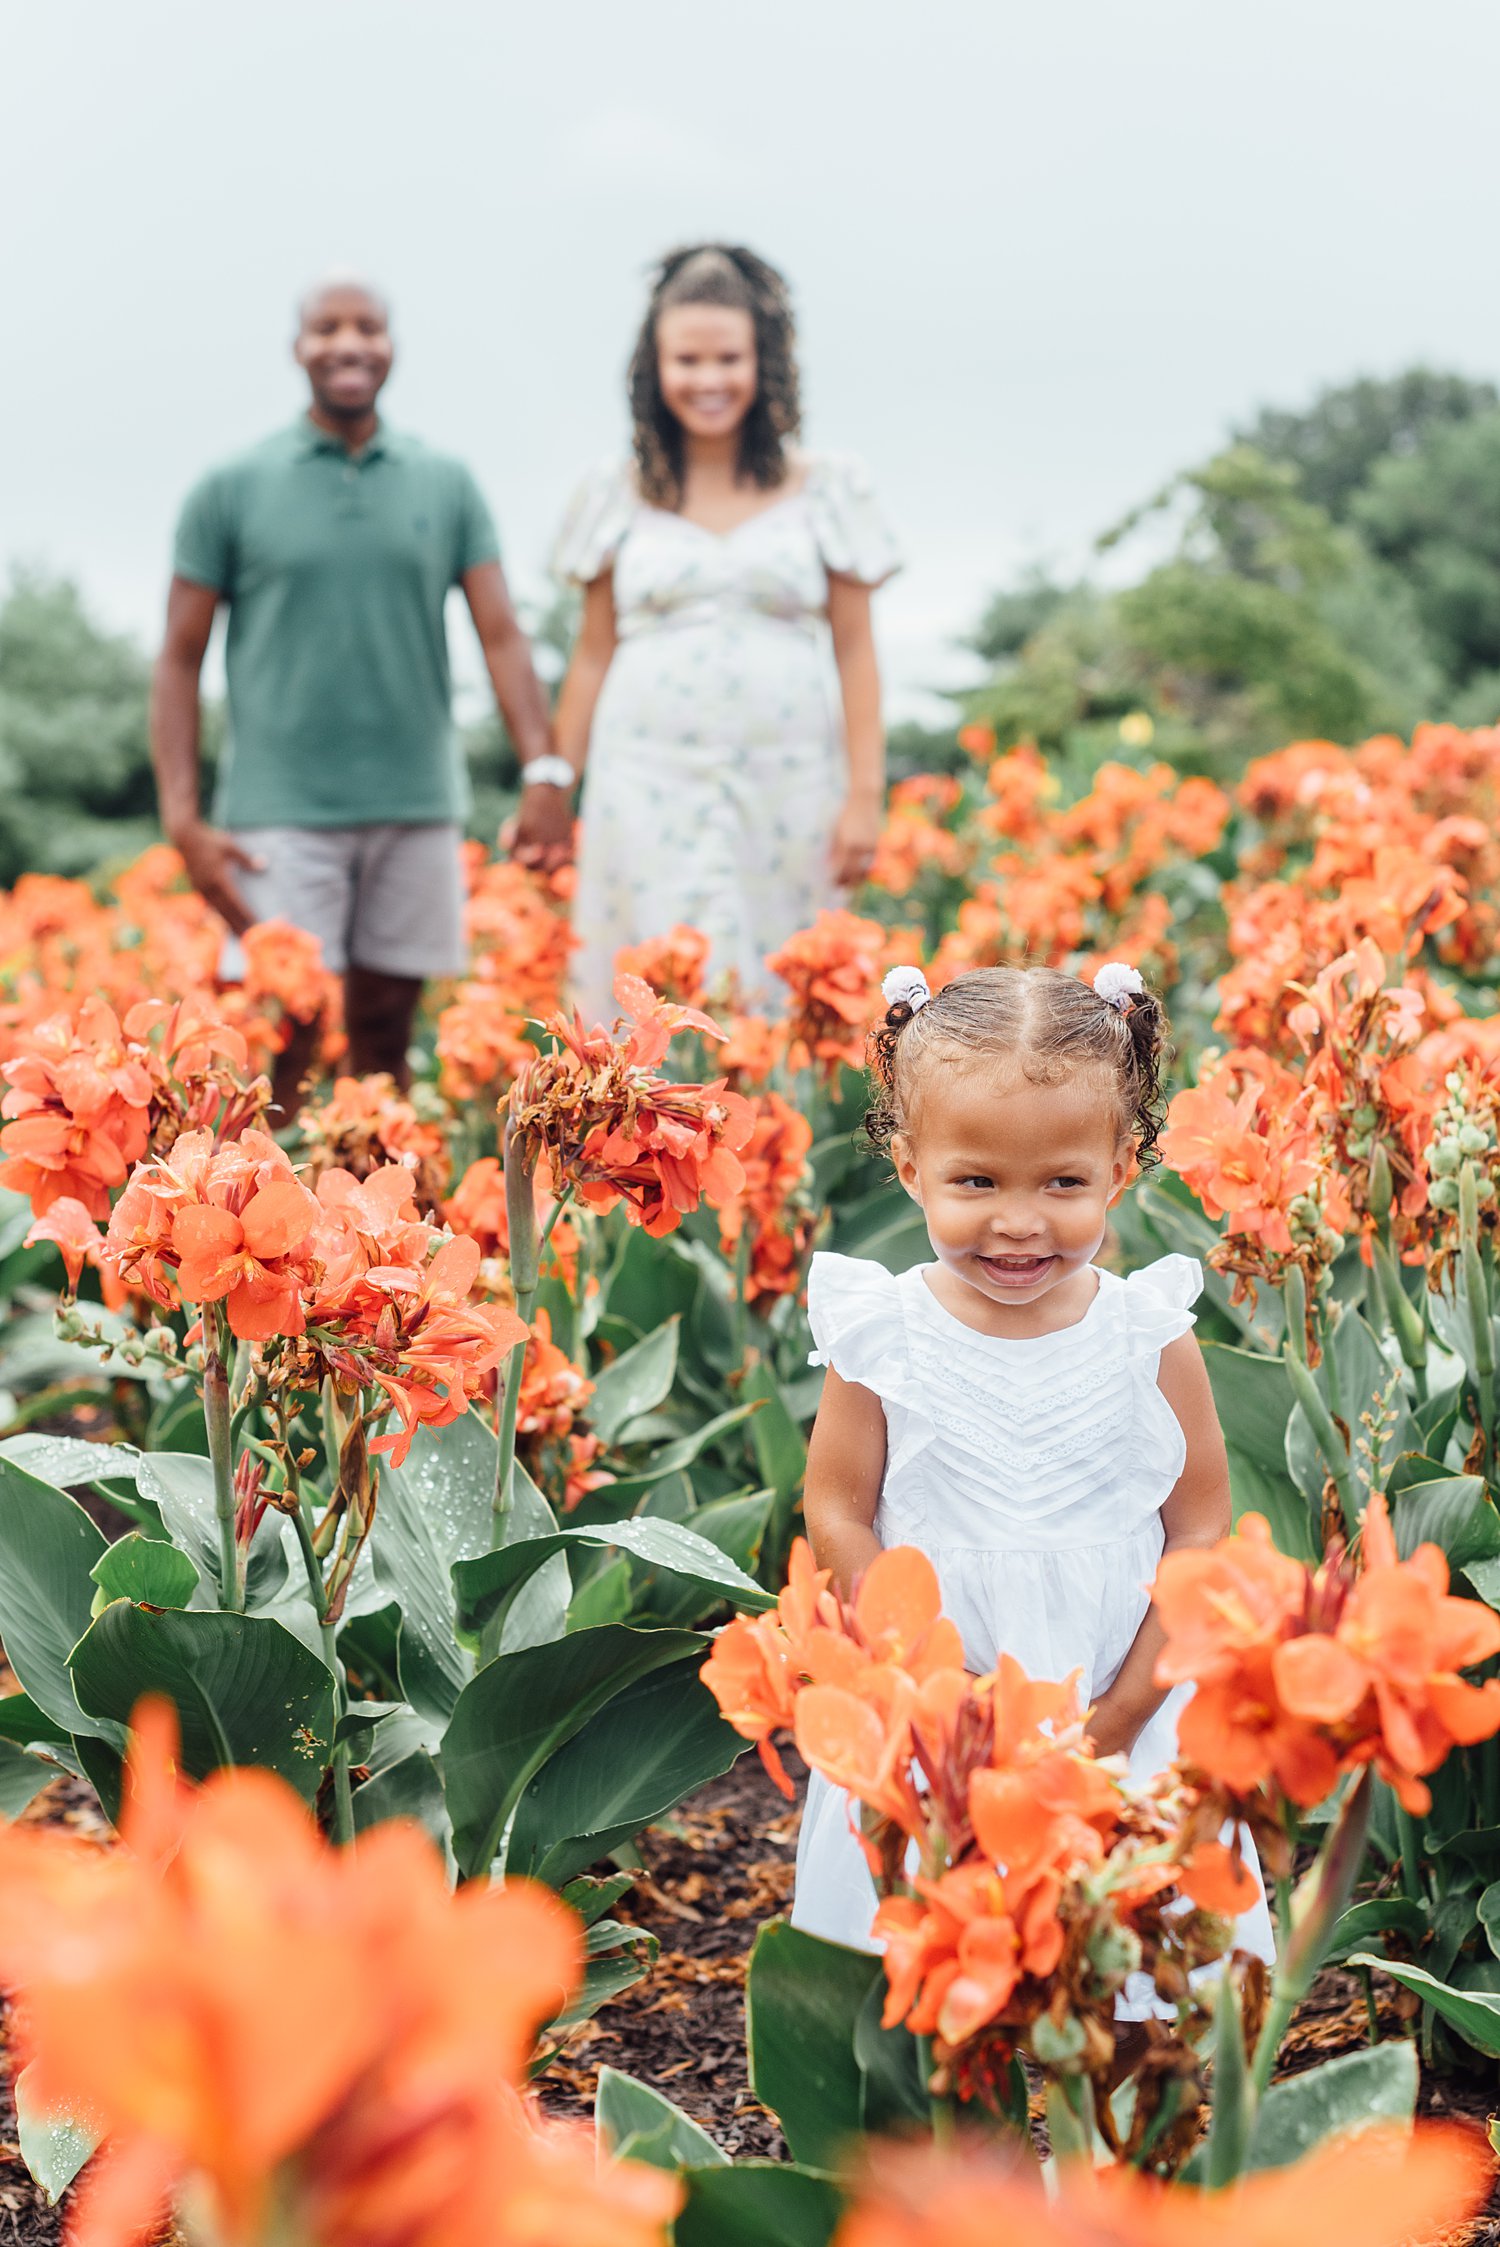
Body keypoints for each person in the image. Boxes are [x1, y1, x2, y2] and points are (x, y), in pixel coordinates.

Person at [790, 960, 1275, 1969]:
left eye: (1063, 1183)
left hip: (1119, 1689)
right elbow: (838, 1512)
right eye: (977, 1182)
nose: (1019, 1221)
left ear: (1123, 1167)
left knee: (1131, 1959)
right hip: (941, 1702)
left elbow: (1197, 1527)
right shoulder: (882, 1333)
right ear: (909, 1164)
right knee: (929, 1944)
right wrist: (934, 1684)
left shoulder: (1148, 1335)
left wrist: (1128, 1713)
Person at [151, 276, 562, 1108]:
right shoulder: (229, 485)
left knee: (384, 1035)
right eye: (325, 327)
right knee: (277, 1047)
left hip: (414, 806)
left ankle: (376, 1230)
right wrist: (182, 817)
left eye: (367, 326)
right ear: (297, 347)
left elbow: (503, 634)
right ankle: (248, 1226)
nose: (348, 343)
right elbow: (177, 658)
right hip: (278, 815)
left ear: (391, 345)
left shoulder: (445, 481)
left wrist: (546, 770)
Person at [523, 243, 900, 1022]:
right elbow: (593, 653)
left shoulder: (827, 486)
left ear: (764, 361)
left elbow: (856, 650)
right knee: (648, 997)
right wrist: (556, 781)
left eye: (728, 357)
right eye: (686, 359)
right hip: (644, 787)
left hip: (790, 787)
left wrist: (864, 797)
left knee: (785, 990)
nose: (708, 379)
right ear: (652, 367)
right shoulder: (614, 492)